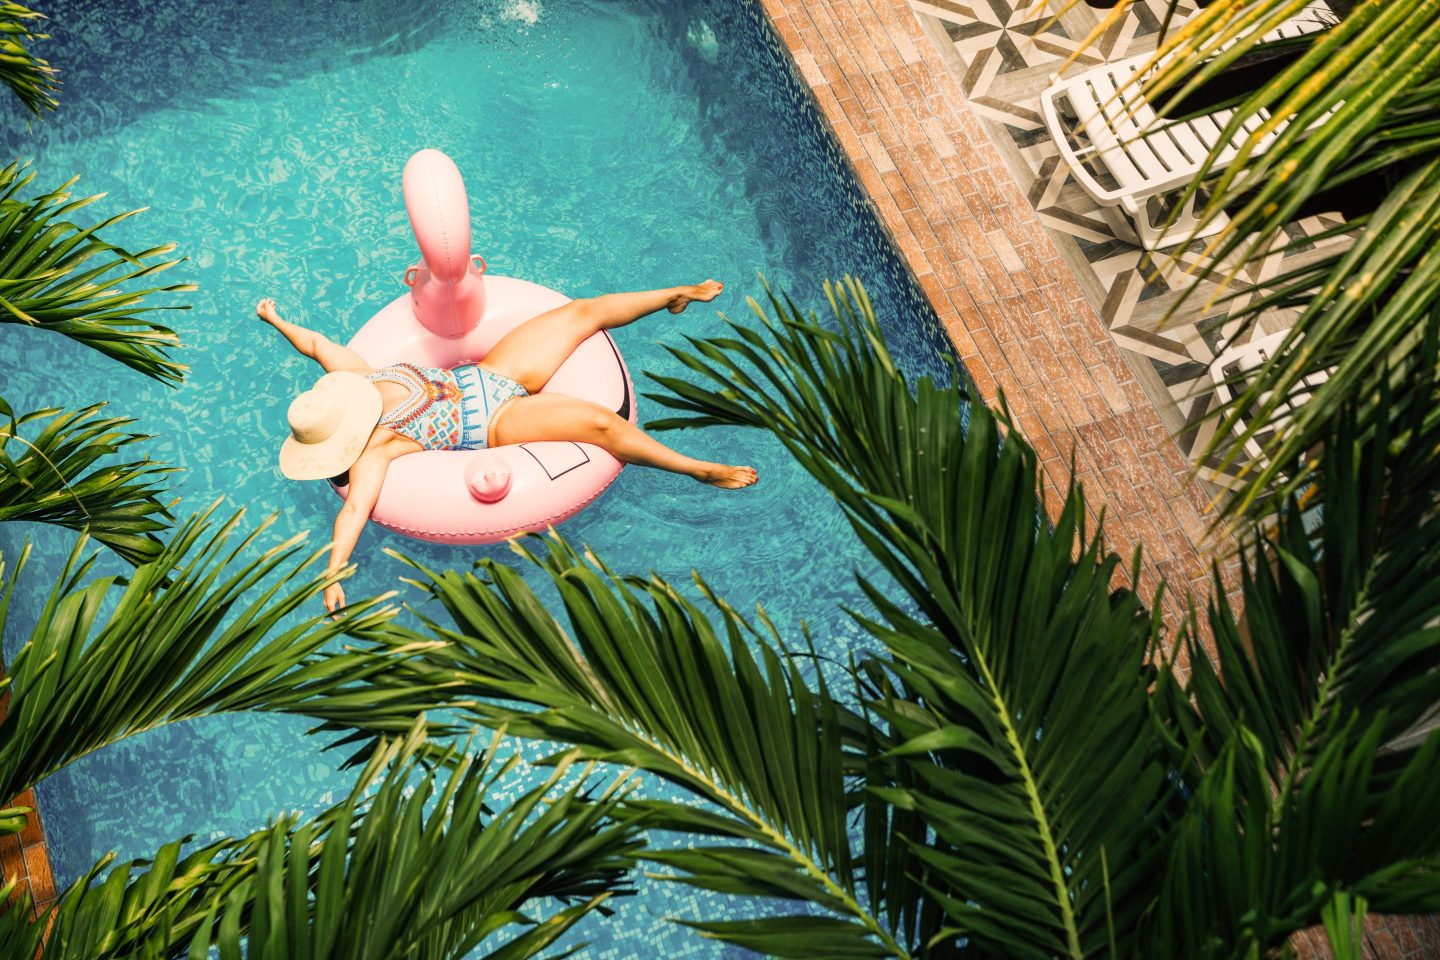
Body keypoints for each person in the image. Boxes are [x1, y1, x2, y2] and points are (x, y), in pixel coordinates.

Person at [261, 281, 757, 615]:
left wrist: (276, 320)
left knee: (580, 313)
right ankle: (698, 469)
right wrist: (332, 575)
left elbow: (315, 344)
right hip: (498, 421)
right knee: (600, 424)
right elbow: (353, 515)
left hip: (495, 373)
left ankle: (675, 295)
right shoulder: (374, 450)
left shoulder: (359, 377)